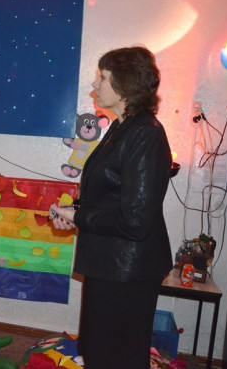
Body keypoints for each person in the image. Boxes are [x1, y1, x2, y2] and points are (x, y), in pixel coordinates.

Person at [50, 46, 173, 368]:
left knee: (116, 355)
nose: (95, 85)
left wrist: (80, 216)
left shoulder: (145, 133)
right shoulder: (122, 127)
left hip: (127, 270)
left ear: (125, 83)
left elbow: (135, 220)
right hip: (111, 263)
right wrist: (75, 213)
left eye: (102, 77)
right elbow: (111, 195)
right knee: (98, 350)